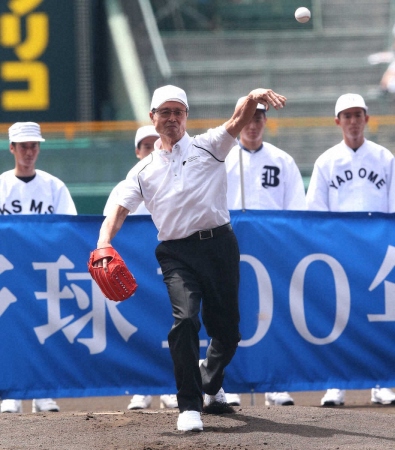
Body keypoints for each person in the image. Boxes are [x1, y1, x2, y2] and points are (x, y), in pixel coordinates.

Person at [93, 84, 287, 431]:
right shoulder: (143, 171)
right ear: (152, 118)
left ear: (186, 116)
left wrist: (252, 96)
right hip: (176, 253)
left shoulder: (208, 146)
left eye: (177, 111)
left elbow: (237, 118)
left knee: (228, 334)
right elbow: (118, 212)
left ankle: (209, 383)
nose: (171, 118)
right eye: (164, 112)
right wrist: (104, 245)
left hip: (219, 246)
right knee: (184, 320)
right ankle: (189, 406)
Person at [306, 93, 395, 407]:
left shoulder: (385, 159)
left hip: (376, 251)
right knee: (337, 318)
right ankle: (335, 382)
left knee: (377, 318)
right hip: (338, 252)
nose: (353, 121)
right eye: (347, 116)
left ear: (367, 118)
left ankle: (381, 381)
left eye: (358, 115)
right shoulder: (326, 161)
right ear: (337, 121)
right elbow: (315, 211)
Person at [226, 96, 307, 407]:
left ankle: (276, 383)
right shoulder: (223, 160)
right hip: (231, 251)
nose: (254, 124)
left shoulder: (282, 161)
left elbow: (296, 211)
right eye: (248, 117)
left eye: (259, 117)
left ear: (265, 121)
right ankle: (229, 381)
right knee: (230, 317)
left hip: (272, 254)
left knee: (273, 316)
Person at [0, 121, 77, 413]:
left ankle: (43, 391)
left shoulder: (54, 186)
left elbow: (69, 228)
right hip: (8, 274)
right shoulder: (2, 185)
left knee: (46, 331)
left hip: (44, 271)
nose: (30, 152)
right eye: (24, 146)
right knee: (11, 333)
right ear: (12, 148)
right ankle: (12, 392)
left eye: (34, 146)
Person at [104, 125, 178, 411]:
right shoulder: (124, 186)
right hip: (134, 272)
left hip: (169, 268)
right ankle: (141, 389)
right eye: (145, 146)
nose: (150, 149)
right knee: (139, 329)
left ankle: (170, 387)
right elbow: (109, 224)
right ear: (138, 151)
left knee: (171, 327)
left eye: (154, 144)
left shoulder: (174, 180)